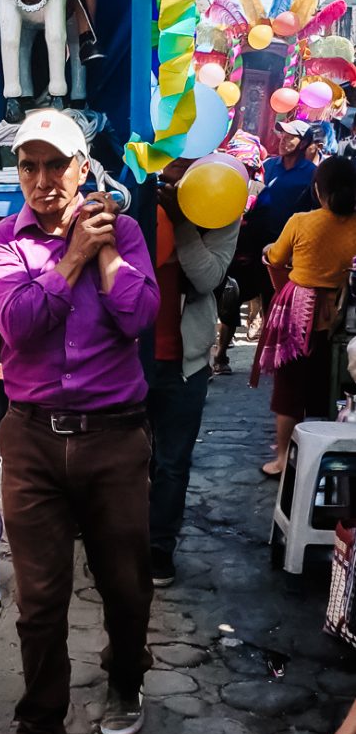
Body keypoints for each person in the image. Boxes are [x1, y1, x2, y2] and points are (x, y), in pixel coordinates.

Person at [0, 109, 159, 734]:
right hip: (30, 441)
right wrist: (74, 258)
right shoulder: (3, 241)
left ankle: (125, 678)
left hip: (114, 436)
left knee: (124, 580)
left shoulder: (129, 232)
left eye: (56, 164)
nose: (42, 179)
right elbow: (19, 326)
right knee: (40, 600)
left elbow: (138, 318)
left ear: (84, 170)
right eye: (29, 166)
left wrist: (107, 247)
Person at [149, 161, 239, 587]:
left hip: (186, 363)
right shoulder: (137, 193)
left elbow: (207, 279)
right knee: (124, 461)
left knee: (171, 463)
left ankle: (158, 549)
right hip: (130, 355)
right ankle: (119, 544)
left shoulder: (221, 197)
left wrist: (185, 223)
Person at [255, 155, 356, 477]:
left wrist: (269, 251)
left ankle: (284, 458)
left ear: (317, 190)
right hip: (340, 314)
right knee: (336, 386)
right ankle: (332, 451)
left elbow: (276, 256)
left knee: (289, 388)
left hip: (298, 313)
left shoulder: (301, 221)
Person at [214, 125, 314, 373]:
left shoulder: (312, 173)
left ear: (303, 143)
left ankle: (273, 357)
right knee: (231, 298)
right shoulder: (269, 167)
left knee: (276, 304)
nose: (284, 140)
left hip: (288, 249)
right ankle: (221, 355)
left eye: (291, 136)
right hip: (252, 246)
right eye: (283, 135)